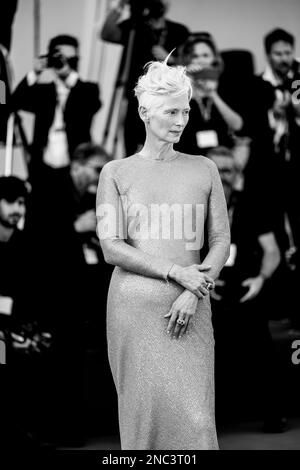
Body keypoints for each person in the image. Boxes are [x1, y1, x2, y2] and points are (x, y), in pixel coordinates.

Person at [96, 59, 230, 450]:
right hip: (133, 310)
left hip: (193, 304)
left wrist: (194, 288)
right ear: (144, 111)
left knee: (198, 419)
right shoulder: (115, 172)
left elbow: (220, 240)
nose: (181, 120)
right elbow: (111, 247)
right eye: (172, 111)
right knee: (142, 424)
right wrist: (178, 272)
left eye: (185, 110)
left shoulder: (204, 168)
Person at [206, 147, 287, 432]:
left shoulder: (251, 205)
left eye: (228, 170)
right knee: (207, 354)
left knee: (261, 349)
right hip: (206, 289)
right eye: (216, 169)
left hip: (246, 287)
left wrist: (261, 279)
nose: (222, 176)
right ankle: (209, 419)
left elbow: (273, 251)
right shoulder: (191, 209)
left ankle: (274, 414)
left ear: (236, 174)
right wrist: (200, 281)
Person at [100, 0, 189, 155]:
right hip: (136, 95)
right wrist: (120, 6)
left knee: (163, 141)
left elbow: (191, 63)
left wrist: (172, 59)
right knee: (132, 142)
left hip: (167, 96)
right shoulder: (135, 26)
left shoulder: (179, 31)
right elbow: (108, 34)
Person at [11, 34, 101, 180]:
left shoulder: (88, 90)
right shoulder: (44, 92)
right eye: (61, 58)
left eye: (72, 60)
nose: (66, 63)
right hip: (42, 169)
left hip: (74, 170)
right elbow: (14, 102)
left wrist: (69, 75)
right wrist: (35, 72)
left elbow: (92, 105)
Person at [176, 33, 243, 156]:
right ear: (187, 59)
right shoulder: (179, 86)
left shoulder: (226, 85)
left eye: (205, 55)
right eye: (195, 56)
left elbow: (237, 125)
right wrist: (187, 82)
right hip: (187, 155)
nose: (200, 60)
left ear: (214, 59)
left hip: (221, 156)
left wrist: (213, 94)